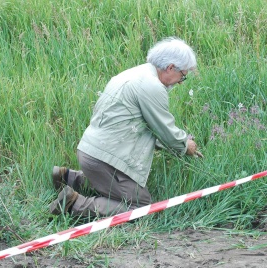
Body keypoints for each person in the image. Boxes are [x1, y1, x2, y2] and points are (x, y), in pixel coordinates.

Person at [49, 37, 203, 218]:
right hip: (105, 160)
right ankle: (74, 204)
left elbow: (143, 128)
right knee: (141, 207)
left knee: (124, 193)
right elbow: (165, 130)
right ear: (170, 67)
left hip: (91, 151)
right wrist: (185, 145)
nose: (180, 82)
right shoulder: (152, 86)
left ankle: (70, 178)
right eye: (182, 76)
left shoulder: (132, 74)